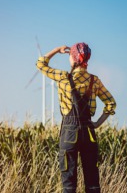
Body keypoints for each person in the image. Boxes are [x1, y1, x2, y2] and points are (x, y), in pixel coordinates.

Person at [36, 42, 116, 193]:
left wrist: (56, 50)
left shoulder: (62, 77)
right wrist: (97, 123)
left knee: (69, 184)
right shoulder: (94, 80)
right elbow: (111, 103)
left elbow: (40, 64)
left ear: (73, 57)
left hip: (69, 132)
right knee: (92, 183)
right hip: (89, 132)